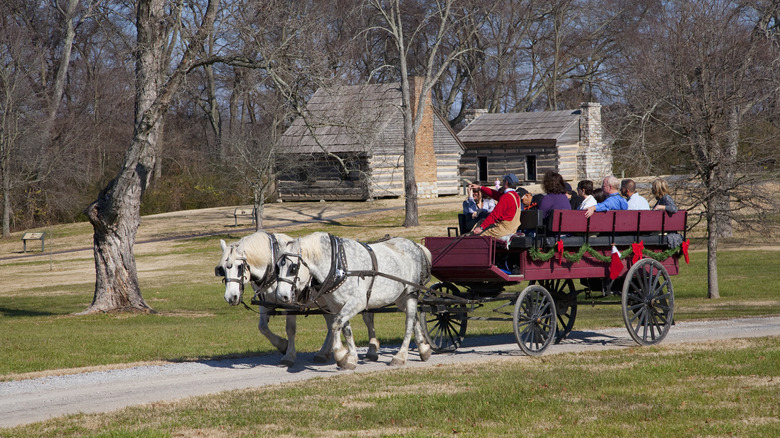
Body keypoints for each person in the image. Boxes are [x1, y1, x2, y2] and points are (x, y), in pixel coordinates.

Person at [469, 173, 523, 238]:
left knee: (479, 237)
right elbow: (494, 194)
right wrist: (480, 187)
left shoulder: (507, 197)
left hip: (503, 229)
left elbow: (495, 215)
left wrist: (481, 227)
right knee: (482, 220)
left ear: (506, 182)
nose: (502, 183)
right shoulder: (514, 195)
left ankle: (467, 242)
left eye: (503, 181)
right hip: (511, 228)